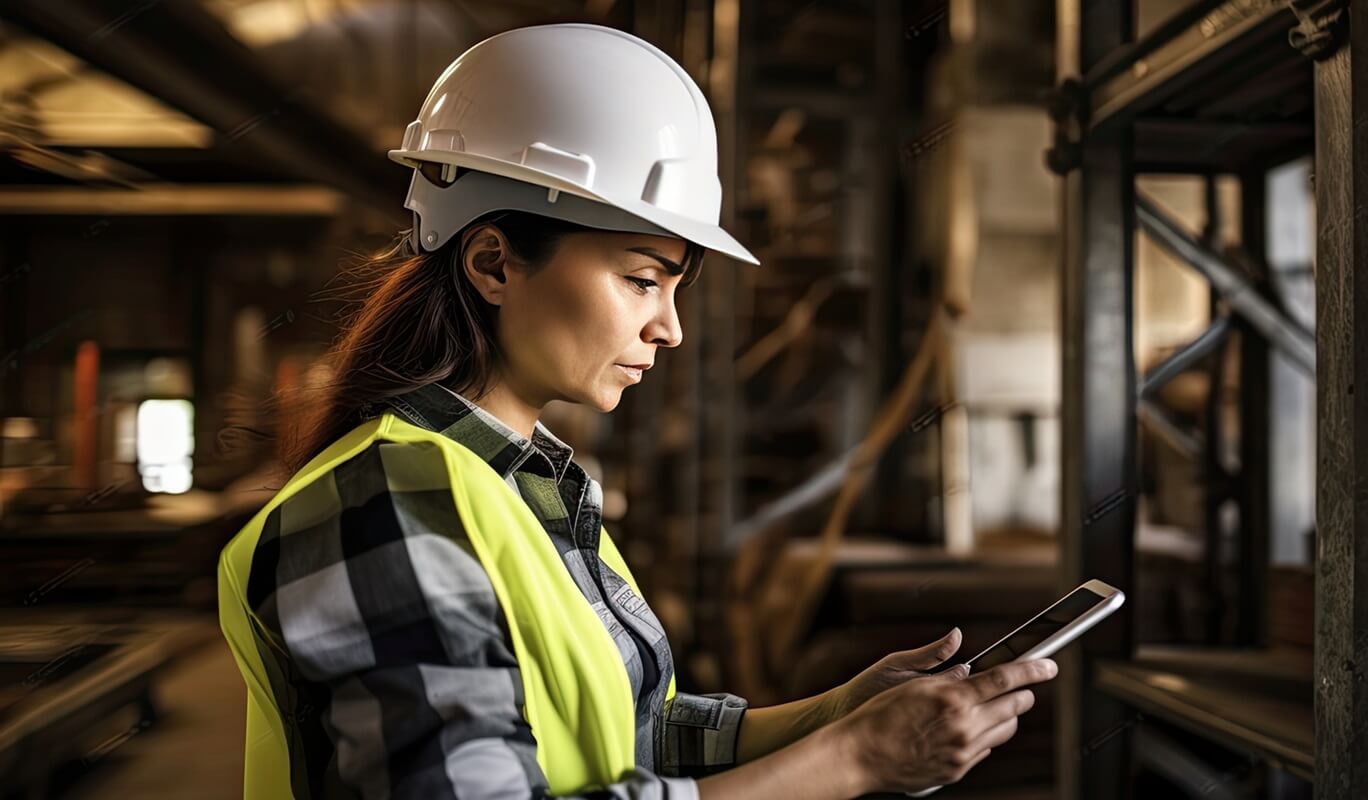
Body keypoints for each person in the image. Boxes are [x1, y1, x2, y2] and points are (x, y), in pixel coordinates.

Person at [215, 23, 1054, 800]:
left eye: (675, 287)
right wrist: (854, 760)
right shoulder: (389, 502)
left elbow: (631, 726)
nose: (670, 327)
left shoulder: (525, 481)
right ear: (494, 263)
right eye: (642, 279)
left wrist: (836, 714)